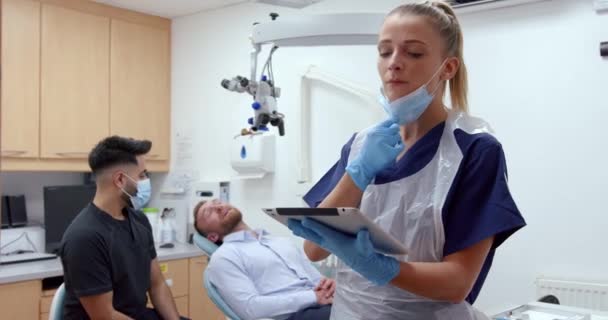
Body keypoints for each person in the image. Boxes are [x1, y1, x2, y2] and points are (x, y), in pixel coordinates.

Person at [287, 1, 527, 319]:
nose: (394, 64)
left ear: (448, 68)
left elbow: (458, 283)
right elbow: (314, 248)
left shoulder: (474, 151)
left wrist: (380, 267)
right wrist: (356, 174)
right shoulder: (360, 145)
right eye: (385, 51)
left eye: (413, 53)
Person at [60, 136, 188, 320]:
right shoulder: (84, 238)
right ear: (120, 179)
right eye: (142, 175)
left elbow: (157, 284)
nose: (146, 181)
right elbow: (105, 316)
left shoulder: (139, 221)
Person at [193, 199, 334, 320]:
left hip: (326, 305)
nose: (218, 207)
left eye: (218, 202)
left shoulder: (280, 241)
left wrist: (330, 287)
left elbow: (317, 281)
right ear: (212, 237)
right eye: (209, 212)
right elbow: (250, 308)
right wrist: (314, 297)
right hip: (296, 315)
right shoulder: (224, 257)